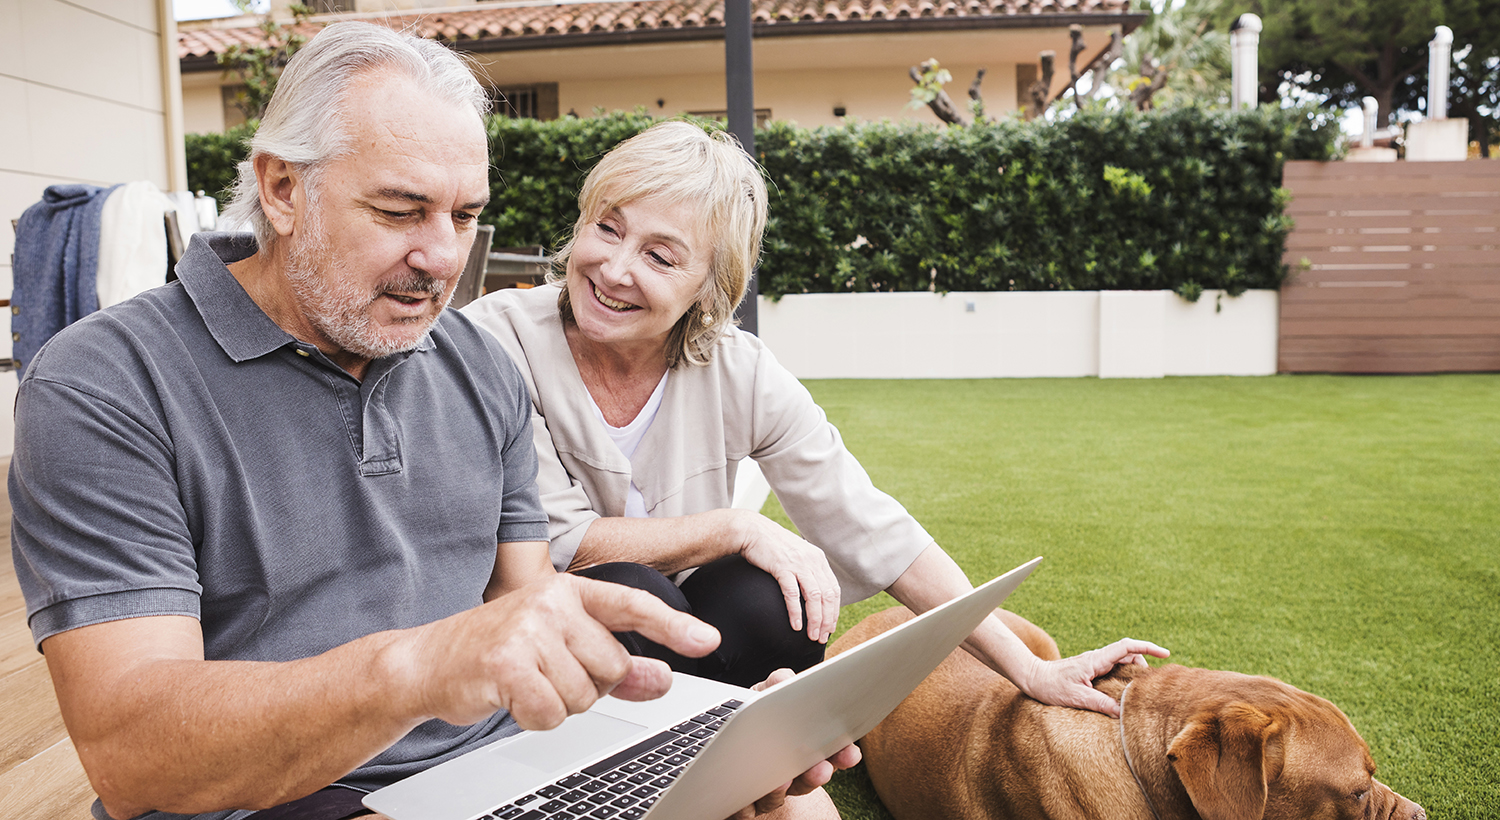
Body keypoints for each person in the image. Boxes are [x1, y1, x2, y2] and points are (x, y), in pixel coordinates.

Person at [8, 24, 853, 820]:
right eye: (401, 210)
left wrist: (704, 736)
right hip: (286, 798)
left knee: (797, 805)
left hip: (503, 768)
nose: (444, 258)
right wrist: (419, 667)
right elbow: (133, 755)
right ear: (281, 188)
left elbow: (527, 608)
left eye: (464, 215)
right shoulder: (106, 383)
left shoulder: (477, 365)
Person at [463, 121, 1169, 714]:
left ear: (709, 290)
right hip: (535, 632)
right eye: (607, 229)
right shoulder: (499, 339)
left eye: (659, 256)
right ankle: (668, 746)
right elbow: (556, 546)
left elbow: (869, 526)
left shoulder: (738, 367)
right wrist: (737, 526)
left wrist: (1029, 670)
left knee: (776, 597)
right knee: (628, 590)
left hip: (674, 646)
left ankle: (720, 737)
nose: (615, 268)